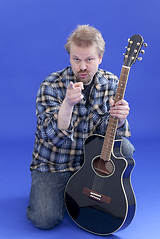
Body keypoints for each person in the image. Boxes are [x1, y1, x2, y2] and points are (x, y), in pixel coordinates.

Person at [27, 25, 135, 229]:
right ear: (69, 58)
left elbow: (109, 134)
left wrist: (119, 119)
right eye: (76, 59)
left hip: (90, 165)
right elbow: (50, 138)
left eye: (89, 59)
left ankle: (110, 187)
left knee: (125, 149)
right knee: (44, 220)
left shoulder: (111, 82)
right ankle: (57, 193)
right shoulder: (50, 85)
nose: (82, 67)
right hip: (56, 164)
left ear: (100, 58)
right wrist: (66, 105)